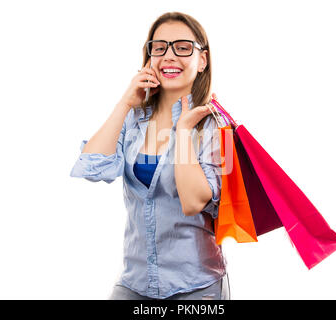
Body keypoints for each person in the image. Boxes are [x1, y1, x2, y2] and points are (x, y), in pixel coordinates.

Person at [70, 12, 230, 300]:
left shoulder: (214, 126)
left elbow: (194, 202)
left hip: (195, 285)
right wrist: (125, 102)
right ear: (148, 57)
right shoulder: (134, 118)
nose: (169, 56)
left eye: (182, 47)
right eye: (159, 47)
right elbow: (91, 167)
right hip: (135, 282)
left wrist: (183, 130)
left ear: (202, 59)